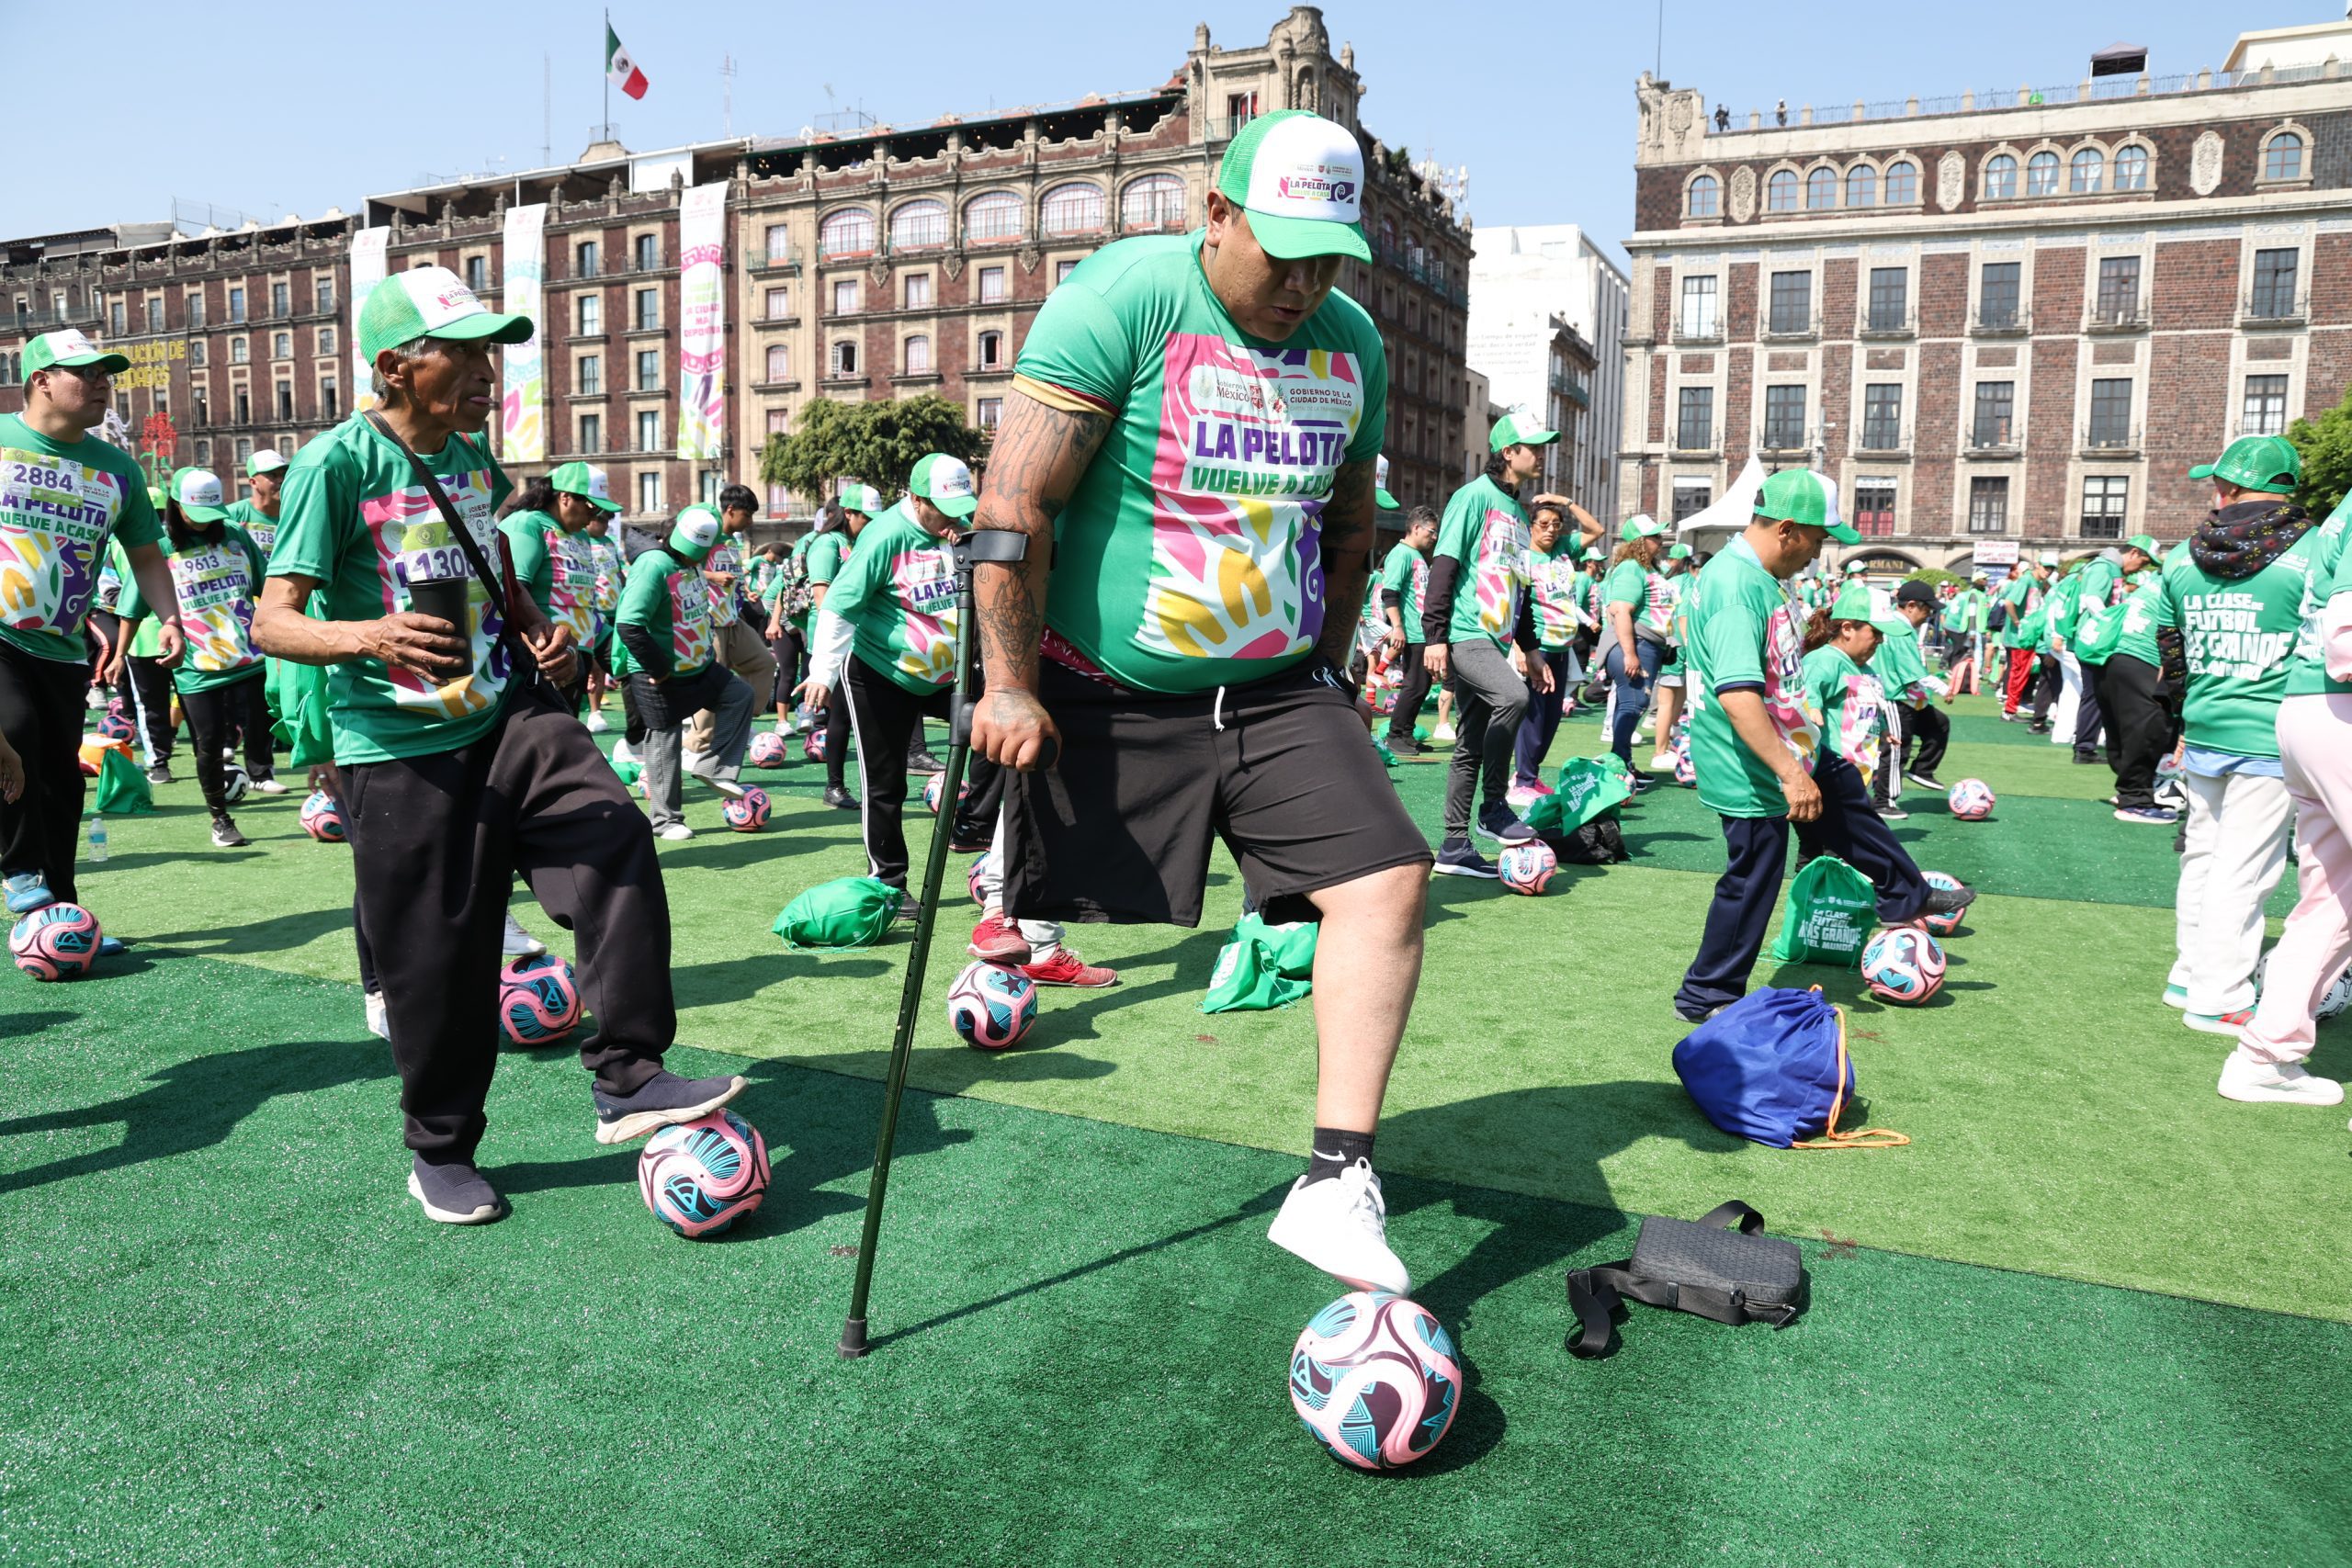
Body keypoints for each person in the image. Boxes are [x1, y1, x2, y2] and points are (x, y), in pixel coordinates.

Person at [965, 107, 1430, 1293]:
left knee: (1389, 874)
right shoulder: (1121, 300)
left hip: (1273, 685)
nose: (1304, 283)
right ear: (1212, 213)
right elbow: (1014, 506)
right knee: (1031, 914)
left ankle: (1336, 1178)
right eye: (1281, 251)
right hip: (1110, 693)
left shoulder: (1355, 345)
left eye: (1328, 256)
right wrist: (1010, 682)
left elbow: (1350, 520)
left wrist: (1329, 661)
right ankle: (1003, 959)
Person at [252, 264, 743, 1224]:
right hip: (394, 745)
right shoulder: (335, 465)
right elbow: (273, 621)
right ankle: (439, 1151)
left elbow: (496, 579)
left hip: (505, 714)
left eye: (491, 351)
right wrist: (368, 636)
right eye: (463, 350)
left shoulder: (471, 457)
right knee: (438, 965)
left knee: (615, 834)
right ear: (396, 365)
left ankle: (630, 1075)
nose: (486, 369)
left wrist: (537, 623)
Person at [1673, 470, 1970, 1021]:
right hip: (1752, 762)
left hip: (1795, 740)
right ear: (1787, 529)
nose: (1820, 551)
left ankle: (1905, 895)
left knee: (1850, 807)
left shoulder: (1764, 574)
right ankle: (1706, 995)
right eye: (1818, 538)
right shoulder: (1736, 587)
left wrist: (1804, 757)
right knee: (1752, 878)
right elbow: (1738, 696)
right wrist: (1789, 772)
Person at [0, 330, 182, 938]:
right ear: (41, 379)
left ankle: (63, 914)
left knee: (62, 782)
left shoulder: (117, 468)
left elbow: (147, 556)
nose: (103, 381)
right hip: (1, 637)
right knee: (15, 732)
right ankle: (21, 875)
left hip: (62, 648)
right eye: (86, 371)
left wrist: (171, 616)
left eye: (107, 371)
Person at [2154, 434, 2323, 1038]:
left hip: (2205, 721)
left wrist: (2184, 715)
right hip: (2269, 728)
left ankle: (2190, 972)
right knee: (2245, 868)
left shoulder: (2179, 557)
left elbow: (2169, 650)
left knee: (2204, 855)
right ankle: (2220, 993)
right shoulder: (2313, 550)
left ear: (2229, 487)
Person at [801, 455, 985, 907]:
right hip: (881, 675)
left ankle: (975, 826)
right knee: (887, 785)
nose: (954, 515)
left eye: (960, 505)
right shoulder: (883, 537)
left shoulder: (960, 527)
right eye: (944, 507)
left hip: (948, 674)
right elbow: (840, 606)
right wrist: (822, 672)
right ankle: (889, 881)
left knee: (999, 733)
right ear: (916, 498)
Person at [2219, 491, 2352, 1104]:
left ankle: (2266, 1054)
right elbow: (2346, 638)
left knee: (2330, 903)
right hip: (2336, 706)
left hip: (2308, 709)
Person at [110, 467, 276, 846]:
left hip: (250, 658)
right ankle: (221, 818)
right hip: (198, 667)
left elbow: (267, 586)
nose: (205, 524)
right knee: (208, 742)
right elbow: (132, 607)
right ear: (176, 506)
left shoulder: (235, 535)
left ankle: (264, 774)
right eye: (195, 515)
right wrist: (120, 655)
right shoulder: (161, 548)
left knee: (267, 723)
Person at [1423, 411, 1552, 871]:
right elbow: (1445, 566)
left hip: (1496, 640)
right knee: (1513, 697)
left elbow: (1522, 587)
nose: (1540, 454)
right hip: (1465, 634)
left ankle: (1454, 846)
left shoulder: (1519, 511)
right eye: (1533, 446)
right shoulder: (1471, 497)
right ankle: (1494, 807)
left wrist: (1531, 646)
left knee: (1469, 745)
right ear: (1507, 452)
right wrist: (1434, 636)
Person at [612, 503, 755, 841]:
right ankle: (664, 820)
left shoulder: (690, 563)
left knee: (740, 695)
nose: (697, 559)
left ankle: (714, 768)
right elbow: (630, 624)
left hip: (698, 667)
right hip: (656, 673)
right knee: (665, 741)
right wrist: (658, 669)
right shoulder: (653, 566)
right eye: (693, 553)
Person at [683, 484, 780, 775]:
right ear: (730, 510)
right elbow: (683, 565)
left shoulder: (732, 542)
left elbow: (734, 577)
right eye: (747, 515)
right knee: (712, 683)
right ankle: (695, 747)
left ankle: (737, 723)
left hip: (733, 619)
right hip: (709, 621)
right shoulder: (706, 533)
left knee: (764, 663)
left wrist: (744, 591)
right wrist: (713, 576)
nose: (749, 522)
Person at [2095, 541, 2177, 825]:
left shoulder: (2155, 581)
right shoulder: (2179, 583)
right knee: (2151, 727)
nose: (2144, 565)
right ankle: (2135, 800)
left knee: (2125, 730)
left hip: (2115, 655)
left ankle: (2129, 791)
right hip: (2142, 657)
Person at [806, 487, 874, 809]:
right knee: (841, 716)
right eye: (866, 517)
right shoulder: (826, 544)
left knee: (863, 715)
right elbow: (823, 600)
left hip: (861, 642)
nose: (870, 523)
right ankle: (834, 786)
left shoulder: (857, 542)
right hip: (835, 645)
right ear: (848, 513)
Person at [2071, 532, 2159, 781]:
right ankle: (2085, 746)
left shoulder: (2111, 568)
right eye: (2142, 562)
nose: (2140, 567)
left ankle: (2087, 744)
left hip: (2100, 639)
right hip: (2097, 641)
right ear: (2133, 553)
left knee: (2099, 696)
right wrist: (2110, 622)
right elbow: (2091, 599)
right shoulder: (2103, 566)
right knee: (2095, 695)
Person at [1510, 501, 1581, 796]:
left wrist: (1566, 502)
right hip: (1539, 647)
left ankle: (1531, 774)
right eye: (1544, 523)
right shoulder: (1523, 558)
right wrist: (1519, 647)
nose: (1551, 529)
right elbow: (1515, 604)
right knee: (1534, 718)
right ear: (1530, 526)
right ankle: (1522, 781)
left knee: (1551, 719)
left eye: (1556, 524)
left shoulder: (1562, 554)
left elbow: (1596, 529)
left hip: (1563, 648)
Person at [1600, 514, 1673, 779]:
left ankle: (1622, 763)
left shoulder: (1648, 569)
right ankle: (1617, 768)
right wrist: (1630, 653)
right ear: (1638, 542)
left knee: (1630, 706)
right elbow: (1620, 610)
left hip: (1647, 645)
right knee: (1633, 705)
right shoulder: (1631, 568)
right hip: (1636, 644)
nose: (1660, 541)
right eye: (1654, 536)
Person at [1375, 503, 1438, 756]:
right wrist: (1397, 627)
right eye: (1431, 532)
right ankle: (1394, 734)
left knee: (1422, 685)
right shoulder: (1401, 554)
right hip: (1411, 631)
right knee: (1414, 685)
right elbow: (1389, 593)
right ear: (1415, 528)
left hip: (1421, 631)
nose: (1434, 537)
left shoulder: (1416, 556)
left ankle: (1406, 733)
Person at [1886, 581, 1953, 792]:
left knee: (1939, 724)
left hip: (1910, 696)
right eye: (1928, 609)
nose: (1930, 614)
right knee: (1898, 749)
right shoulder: (1898, 629)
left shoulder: (1902, 627)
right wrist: (1944, 688)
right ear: (1911, 606)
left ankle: (1922, 770)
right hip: (1896, 697)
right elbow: (1913, 671)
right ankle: (1883, 800)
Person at [1645, 541, 1697, 772]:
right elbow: (1684, 617)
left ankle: (1670, 740)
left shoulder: (1666, 581)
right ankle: (1660, 751)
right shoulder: (1688, 583)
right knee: (1668, 701)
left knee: (1675, 697)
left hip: (1664, 643)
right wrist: (1690, 647)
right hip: (1678, 648)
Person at [580, 504, 628, 733]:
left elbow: (618, 573)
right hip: (594, 613)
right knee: (595, 666)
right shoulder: (581, 541)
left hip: (615, 611)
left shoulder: (609, 543)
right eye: (602, 519)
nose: (606, 524)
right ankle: (594, 711)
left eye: (609, 520)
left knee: (621, 659)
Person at [1996, 554, 2052, 717]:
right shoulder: (2026, 580)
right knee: (2018, 673)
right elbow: (2009, 602)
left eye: (2051, 569)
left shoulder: (2038, 582)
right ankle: (2009, 710)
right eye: (2046, 567)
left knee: (2023, 673)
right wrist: (2018, 624)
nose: (2048, 571)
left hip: (2028, 636)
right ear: (2038, 565)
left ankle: (2013, 707)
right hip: (2020, 638)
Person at [224, 447, 288, 557]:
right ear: (253, 483)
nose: (281, 480)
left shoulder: (295, 515)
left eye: (283, 474)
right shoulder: (230, 516)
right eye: (273, 475)